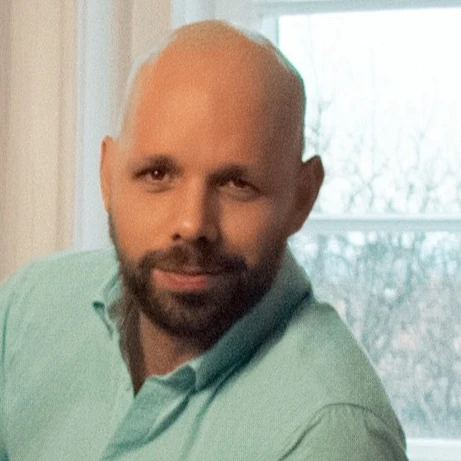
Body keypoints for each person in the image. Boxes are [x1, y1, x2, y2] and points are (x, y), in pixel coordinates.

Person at [0, 20, 408, 461]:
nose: (192, 224)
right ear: (108, 177)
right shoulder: (27, 308)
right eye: (157, 174)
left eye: (237, 184)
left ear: (302, 197)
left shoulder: (332, 433)